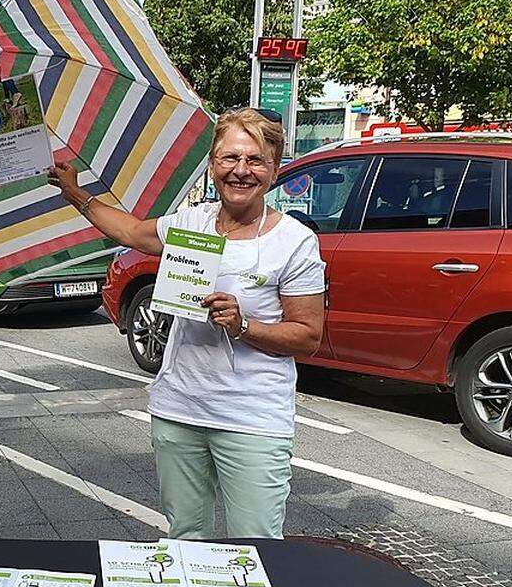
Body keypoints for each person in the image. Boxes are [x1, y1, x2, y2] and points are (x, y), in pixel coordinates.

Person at [47, 108, 326, 540]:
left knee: (254, 546)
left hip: (251, 418)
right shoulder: (192, 222)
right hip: (178, 410)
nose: (241, 171)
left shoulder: (293, 241)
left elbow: (308, 336)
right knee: (186, 538)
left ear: (275, 167)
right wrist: (74, 194)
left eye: (255, 160)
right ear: (213, 163)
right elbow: (133, 233)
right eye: (229, 158)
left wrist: (243, 324)